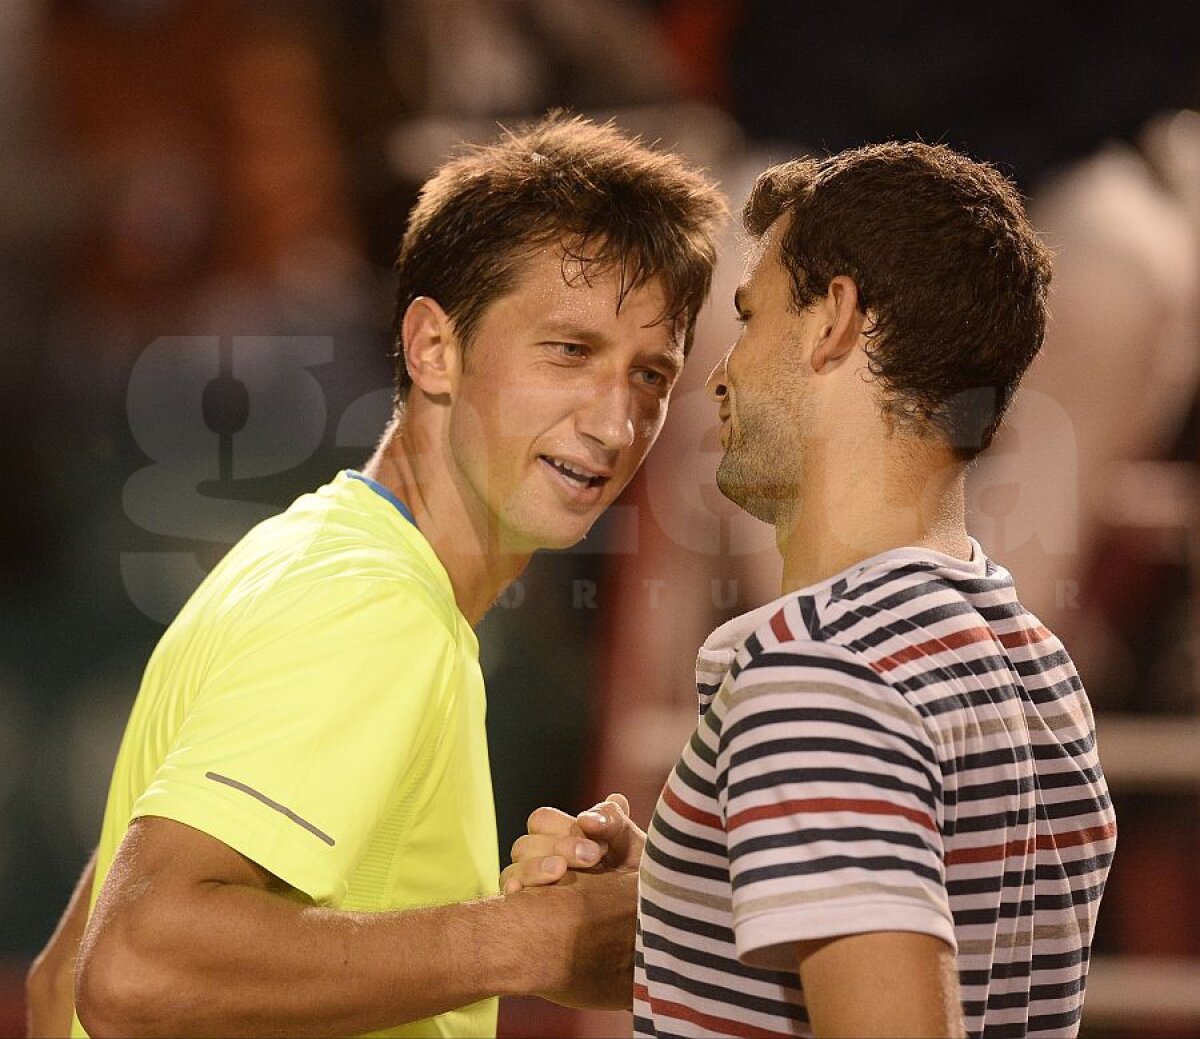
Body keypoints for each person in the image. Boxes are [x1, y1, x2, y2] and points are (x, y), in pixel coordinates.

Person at [25, 113, 725, 1038]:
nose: (614, 421)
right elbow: (133, 966)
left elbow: (56, 987)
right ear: (434, 347)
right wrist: (529, 941)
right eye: (569, 350)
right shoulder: (370, 604)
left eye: (651, 374)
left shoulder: (307, 556)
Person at [504, 142, 1117, 1037]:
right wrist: (689, 893)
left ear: (832, 320)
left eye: (750, 319)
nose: (721, 372)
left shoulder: (820, 679)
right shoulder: (1036, 663)